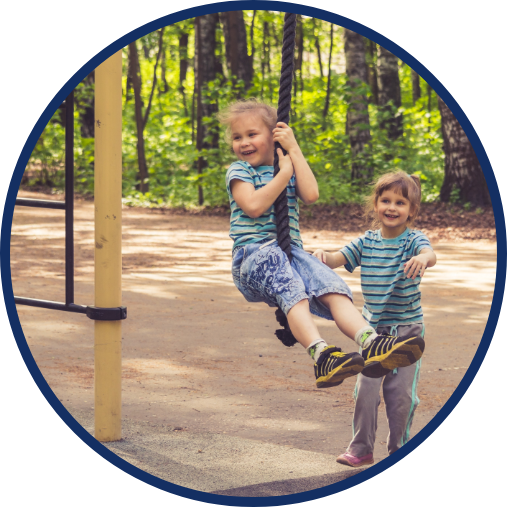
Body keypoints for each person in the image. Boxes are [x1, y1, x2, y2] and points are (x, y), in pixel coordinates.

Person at [219, 99, 425, 390]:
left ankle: (371, 342)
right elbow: (253, 206)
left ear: (274, 136)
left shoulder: (286, 165)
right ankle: (321, 354)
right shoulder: (240, 171)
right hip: (253, 256)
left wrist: (294, 151)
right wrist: (284, 175)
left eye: (252, 134)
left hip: (289, 253)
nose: (244, 142)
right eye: (237, 137)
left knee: (333, 287)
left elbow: (312, 194)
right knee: (293, 291)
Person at [312, 171, 436, 466]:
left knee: (400, 397)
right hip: (372, 333)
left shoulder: (413, 241)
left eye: (400, 202)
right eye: (386, 200)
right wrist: (321, 255)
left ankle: (398, 448)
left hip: (406, 331)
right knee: (365, 391)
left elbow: (429, 253)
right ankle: (361, 449)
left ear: (411, 211)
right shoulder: (366, 242)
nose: (392, 207)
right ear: (376, 204)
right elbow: (336, 258)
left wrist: (423, 258)